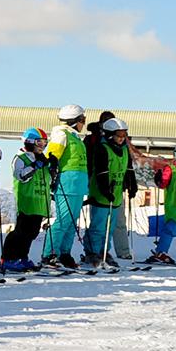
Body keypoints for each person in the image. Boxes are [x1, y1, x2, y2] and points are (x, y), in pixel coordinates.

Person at [0, 128, 52, 273]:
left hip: (40, 202)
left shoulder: (41, 159)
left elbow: (49, 181)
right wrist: (35, 166)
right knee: (22, 231)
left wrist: (52, 168)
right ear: (29, 142)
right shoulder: (21, 158)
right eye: (39, 142)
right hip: (26, 200)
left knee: (32, 233)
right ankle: (8, 258)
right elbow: (21, 176)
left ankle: (22, 257)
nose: (42, 146)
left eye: (44, 143)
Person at [44, 104, 89, 269]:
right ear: (74, 121)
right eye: (82, 120)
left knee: (72, 221)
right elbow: (52, 153)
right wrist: (53, 161)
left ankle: (64, 253)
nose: (83, 123)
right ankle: (49, 254)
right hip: (67, 183)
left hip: (78, 185)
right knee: (63, 221)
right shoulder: (61, 133)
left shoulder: (75, 137)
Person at [84, 117, 132, 268]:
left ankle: (104, 251)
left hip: (116, 194)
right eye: (119, 135)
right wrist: (105, 190)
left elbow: (129, 169)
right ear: (110, 134)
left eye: (124, 135)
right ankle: (92, 251)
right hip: (102, 194)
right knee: (98, 226)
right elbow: (101, 172)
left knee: (110, 227)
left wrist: (132, 186)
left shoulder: (124, 148)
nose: (122, 138)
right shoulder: (102, 148)